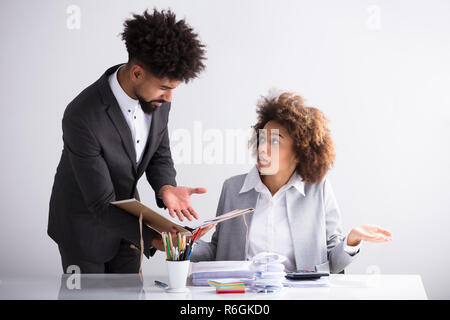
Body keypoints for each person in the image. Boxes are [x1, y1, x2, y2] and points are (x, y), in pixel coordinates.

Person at [48, 9, 207, 273]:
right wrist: (158, 240)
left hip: (130, 226)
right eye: (165, 88)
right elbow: (100, 204)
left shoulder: (158, 99)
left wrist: (165, 186)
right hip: (83, 229)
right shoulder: (82, 116)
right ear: (136, 73)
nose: (169, 99)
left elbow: (159, 153)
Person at [190, 92, 392, 273]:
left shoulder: (318, 189)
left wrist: (352, 239)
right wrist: (183, 245)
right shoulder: (232, 188)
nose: (263, 148)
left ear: (299, 153)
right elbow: (219, 251)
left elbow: (332, 262)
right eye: (262, 139)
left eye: (275, 142)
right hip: (242, 295)